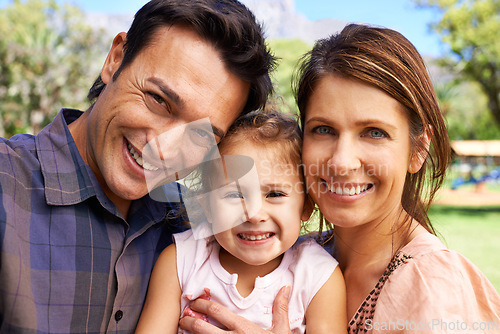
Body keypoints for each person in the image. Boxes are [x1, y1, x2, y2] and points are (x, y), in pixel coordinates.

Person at [179, 24, 500, 334]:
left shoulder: (433, 287)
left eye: (375, 133)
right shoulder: (293, 254)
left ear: (417, 150)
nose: (342, 162)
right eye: (324, 129)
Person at [0, 0, 276, 332]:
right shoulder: (7, 186)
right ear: (115, 59)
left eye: (202, 135)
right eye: (159, 100)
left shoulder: (199, 225)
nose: (166, 149)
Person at [135, 111, 347, 333]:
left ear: (305, 206)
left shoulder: (318, 276)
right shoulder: (181, 261)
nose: (254, 215)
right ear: (206, 206)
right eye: (234, 195)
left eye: (275, 194)